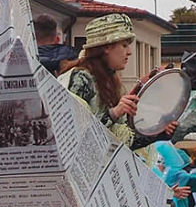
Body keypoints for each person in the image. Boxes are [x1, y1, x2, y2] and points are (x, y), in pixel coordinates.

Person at [61, 13, 174, 149]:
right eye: (124, 45)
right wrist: (114, 113)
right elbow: (74, 134)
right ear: (106, 47)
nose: (129, 52)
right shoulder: (81, 78)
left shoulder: (110, 81)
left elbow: (121, 141)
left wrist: (159, 131)